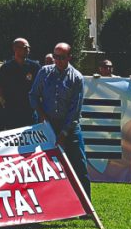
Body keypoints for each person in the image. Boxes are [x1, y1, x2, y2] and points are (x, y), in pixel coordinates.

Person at [29, 42, 90, 196]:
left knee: (79, 165)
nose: (57, 60)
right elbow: (33, 95)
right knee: (41, 165)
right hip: (47, 124)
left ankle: (85, 206)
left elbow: (75, 109)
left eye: (61, 57)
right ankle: (43, 203)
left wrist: (63, 133)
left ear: (70, 57)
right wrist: (42, 116)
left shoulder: (76, 77)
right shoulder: (44, 72)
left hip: (69, 126)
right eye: (55, 56)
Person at [0, 38, 40, 131]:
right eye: (24, 47)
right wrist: (3, 102)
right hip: (12, 112)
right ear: (15, 49)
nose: (27, 50)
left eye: (28, 48)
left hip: (29, 111)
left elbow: (40, 86)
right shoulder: (6, 68)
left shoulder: (35, 67)